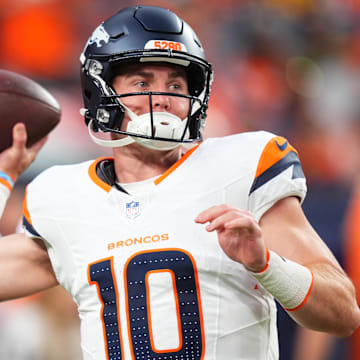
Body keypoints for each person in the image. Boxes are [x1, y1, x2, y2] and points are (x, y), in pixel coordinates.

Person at [0, 5, 359, 360]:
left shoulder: (242, 166)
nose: (164, 98)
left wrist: (265, 263)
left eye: (176, 83)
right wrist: (4, 176)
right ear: (101, 92)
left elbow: (344, 314)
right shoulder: (65, 200)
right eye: (143, 82)